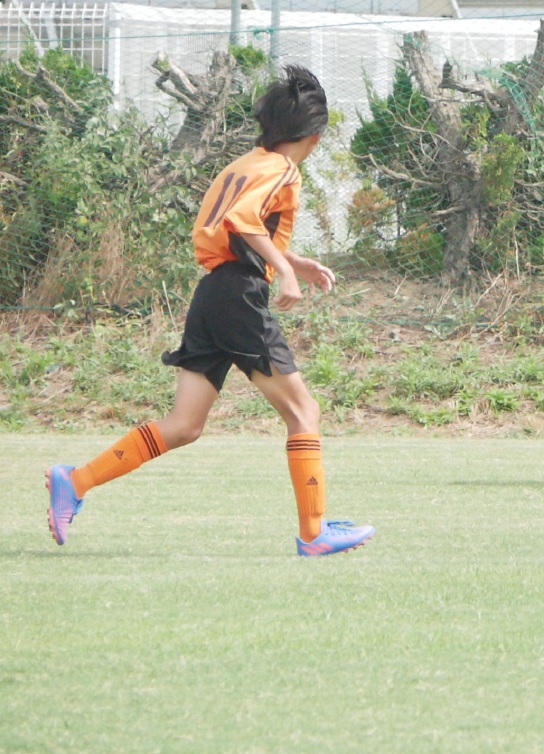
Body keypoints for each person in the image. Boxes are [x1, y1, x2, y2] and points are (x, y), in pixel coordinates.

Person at [45, 65, 374, 556]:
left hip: (213, 293)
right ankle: (314, 533)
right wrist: (284, 270)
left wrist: (293, 261)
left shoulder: (247, 163)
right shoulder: (283, 170)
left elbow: (234, 225)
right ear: (317, 136)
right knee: (304, 410)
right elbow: (243, 219)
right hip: (238, 297)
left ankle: (75, 481)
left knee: (184, 425)